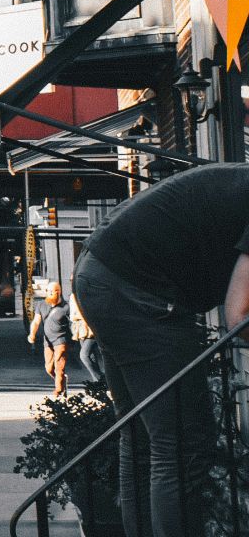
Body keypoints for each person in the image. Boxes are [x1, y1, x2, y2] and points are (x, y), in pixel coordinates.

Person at [73, 162, 249, 537]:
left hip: (100, 272)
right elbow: (240, 315)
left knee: (139, 438)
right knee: (182, 445)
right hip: (138, 290)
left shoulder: (239, 180)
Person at [27, 281, 70, 396]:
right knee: (49, 368)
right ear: (46, 292)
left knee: (59, 367)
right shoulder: (41, 305)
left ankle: (58, 390)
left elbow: (73, 321)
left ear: (59, 292)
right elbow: (36, 321)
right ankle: (61, 381)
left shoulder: (66, 307)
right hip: (48, 342)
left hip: (61, 340)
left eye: (55, 291)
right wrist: (32, 334)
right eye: (50, 291)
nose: (52, 293)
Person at [69, 287, 104, 390]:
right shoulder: (72, 296)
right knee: (91, 356)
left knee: (84, 355)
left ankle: (101, 378)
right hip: (80, 327)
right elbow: (72, 313)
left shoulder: (89, 294)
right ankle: (97, 383)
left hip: (91, 327)